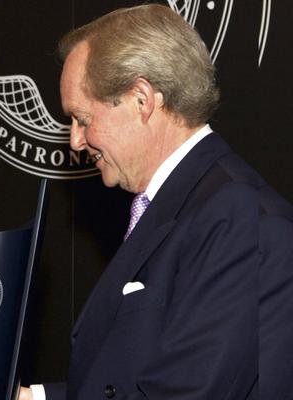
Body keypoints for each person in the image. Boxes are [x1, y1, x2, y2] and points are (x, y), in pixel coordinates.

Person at [19, 4, 293, 400]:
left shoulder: (234, 216)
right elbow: (133, 378)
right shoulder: (191, 203)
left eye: (81, 118)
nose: (75, 141)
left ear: (142, 99)